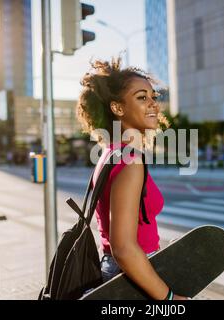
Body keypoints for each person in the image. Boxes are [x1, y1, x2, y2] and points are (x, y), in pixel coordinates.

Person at [76, 57, 188, 300]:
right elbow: (124, 248)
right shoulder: (130, 161)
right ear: (117, 108)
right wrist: (168, 298)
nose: (153, 105)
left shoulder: (110, 153)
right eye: (141, 97)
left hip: (121, 273)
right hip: (131, 280)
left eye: (153, 97)